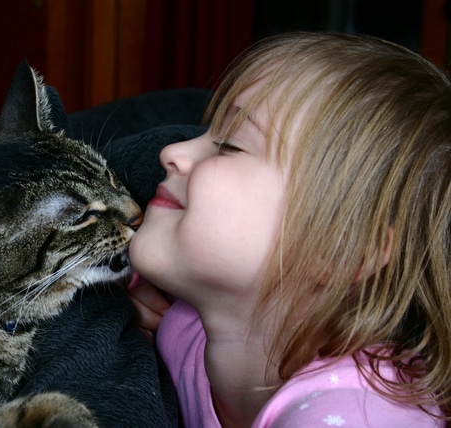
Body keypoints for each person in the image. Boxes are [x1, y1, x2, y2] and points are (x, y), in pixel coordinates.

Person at [127, 32, 451, 427]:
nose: (171, 152)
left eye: (230, 145)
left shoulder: (357, 415)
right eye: (207, 131)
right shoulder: (186, 324)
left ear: (337, 249)